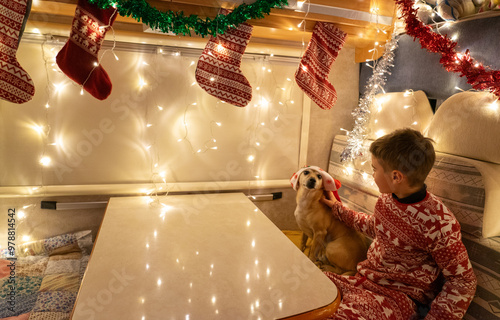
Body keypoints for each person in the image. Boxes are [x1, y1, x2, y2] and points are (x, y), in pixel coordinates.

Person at [321, 128, 477, 320]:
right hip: (362, 282)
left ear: (396, 177)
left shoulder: (439, 223)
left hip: (398, 299)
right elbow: (374, 227)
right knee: (310, 291)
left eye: (374, 169)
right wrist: (338, 209)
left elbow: (463, 281)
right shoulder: (387, 200)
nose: (372, 175)